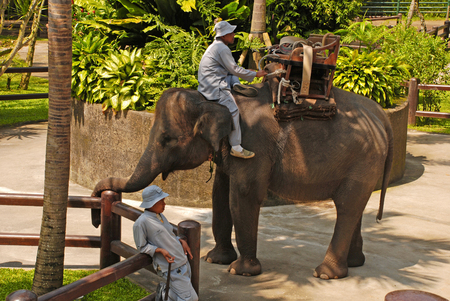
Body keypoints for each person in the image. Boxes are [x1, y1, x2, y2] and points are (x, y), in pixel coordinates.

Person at [197, 20, 268, 159]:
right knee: (234, 110)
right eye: (231, 33)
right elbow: (234, 69)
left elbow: (231, 68)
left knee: (232, 73)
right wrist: (255, 74)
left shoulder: (215, 46)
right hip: (214, 86)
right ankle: (236, 147)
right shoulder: (222, 49)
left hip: (211, 80)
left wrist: (246, 72)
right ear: (223, 36)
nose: (234, 35)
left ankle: (235, 85)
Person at [133, 185, 198, 301]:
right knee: (191, 299)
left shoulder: (160, 216)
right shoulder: (141, 223)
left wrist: (180, 240)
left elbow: (168, 235)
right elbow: (141, 247)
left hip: (182, 262)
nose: (164, 204)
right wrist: (159, 250)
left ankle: (164, 295)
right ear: (152, 204)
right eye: (161, 201)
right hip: (171, 268)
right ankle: (164, 294)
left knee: (179, 296)